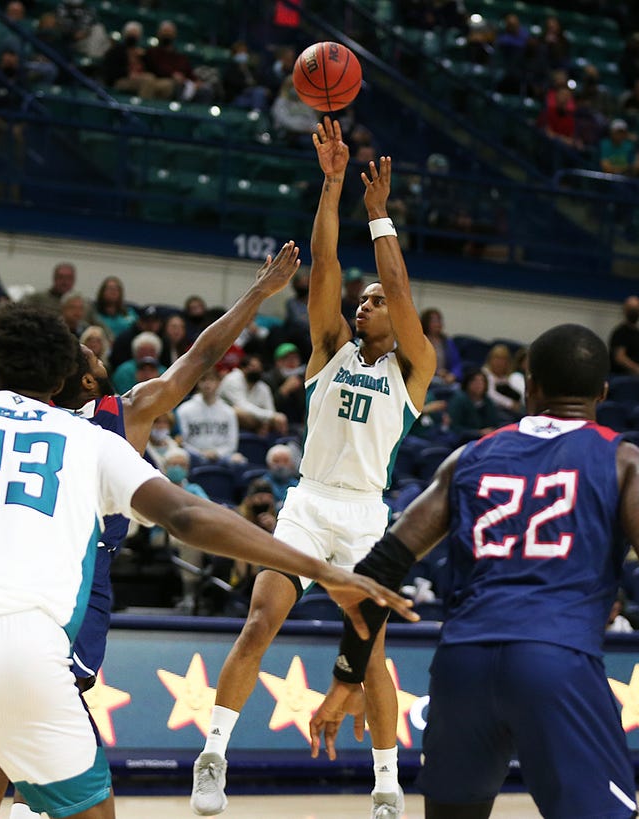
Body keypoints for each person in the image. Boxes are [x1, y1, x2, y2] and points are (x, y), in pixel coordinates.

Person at [0, 301, 411, 819]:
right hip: (37, 665)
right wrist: (325, 568)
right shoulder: (91, 438)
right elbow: (189, 515)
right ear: (62, 380)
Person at [305, 322, 639, 819]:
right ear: (603, 393)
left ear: (530, 385)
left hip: (462, 665)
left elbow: (381, 566)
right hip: (555, 661)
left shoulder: (470, 456)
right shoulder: (625, 460)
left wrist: (348, 676)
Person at [0, 241, 305, 819]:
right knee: (33, 718)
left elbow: (200, 355)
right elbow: (195, 359)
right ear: (85, 383)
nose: (94, 352)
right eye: (88, 354)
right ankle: (44, 802)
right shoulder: (118, 414)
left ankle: (20, 804)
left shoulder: (112, 412)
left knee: (6, 715)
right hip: (57, 578)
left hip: (74, 573)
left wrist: (257, 295)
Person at [190, 121, 439, 819]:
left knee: (370, 651)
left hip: (364, 514)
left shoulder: (415, 367)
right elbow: (324, 268)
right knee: (261, 619)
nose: (365, 302)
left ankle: (387, 785)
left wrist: (378, 213)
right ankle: (214, 753)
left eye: (375, 300)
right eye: (361, 301)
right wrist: (331, 185)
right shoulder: (329, 346)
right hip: (308, 503)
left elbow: (397, 279)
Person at [174, 368, 242, 464]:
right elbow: (182, 441)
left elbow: (232, 444)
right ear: (198, 383)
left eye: (211, 380)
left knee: (238, 460)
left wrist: (217, 453)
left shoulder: (229, 411)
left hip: (222, 457)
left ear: (218, 383)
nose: (207, 384)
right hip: (194, 457)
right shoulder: (184, 410)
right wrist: (200, 453)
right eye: (203, 380)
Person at [608, 295, 639, 376]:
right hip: (623, 377)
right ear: (625, 310)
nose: (634, 311)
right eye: (632, 309)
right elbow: (620, 358)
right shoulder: (619, 333)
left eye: (637, 309)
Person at [90, 276, 136, 341]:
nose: (113, 292)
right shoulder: (93, 312)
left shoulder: (130, 312)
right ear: (102, 292)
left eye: (116, 289)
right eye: (110, 289)